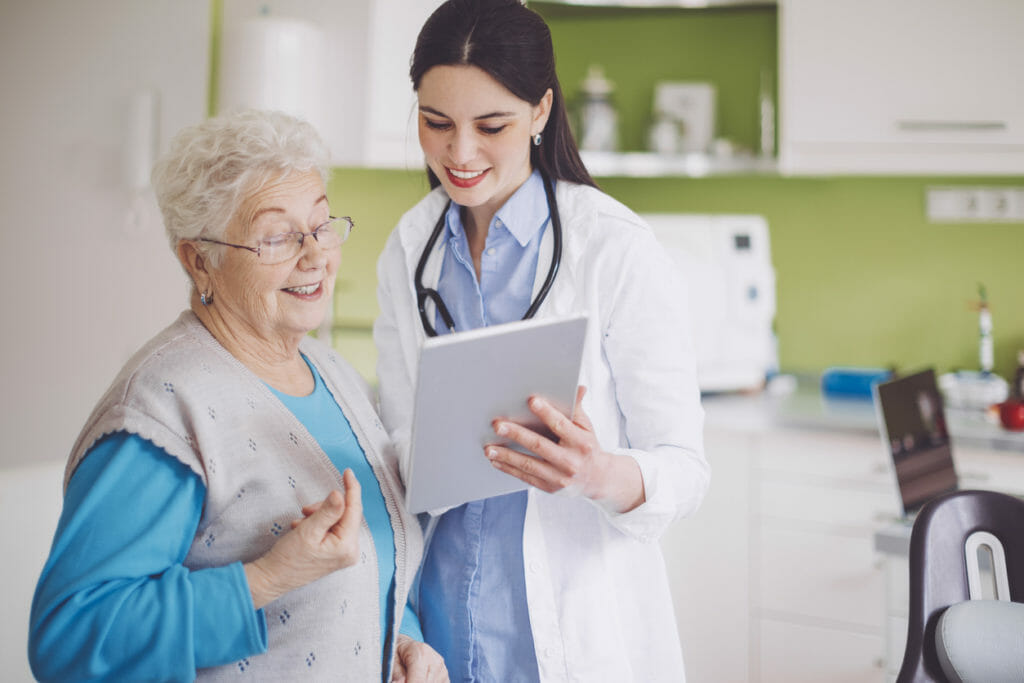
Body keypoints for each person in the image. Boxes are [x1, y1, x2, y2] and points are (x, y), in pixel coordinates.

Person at [29, 110, 447, 682]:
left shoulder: (333, 372)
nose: (315, 254)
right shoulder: (164, 410)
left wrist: (400, 639)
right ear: (199, 260)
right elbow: (70, 640)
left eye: (322, 225)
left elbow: (363, 571)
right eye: (276, 236)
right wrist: (268, 577)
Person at [372, 1, 710, 680]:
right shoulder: (409, 249)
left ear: (541, 111)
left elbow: (684, 465)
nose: (458, 153)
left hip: (569, 637)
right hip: (436, 632)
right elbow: (399, 435)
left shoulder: (614, 250)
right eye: (436, 123)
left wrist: (599, 473)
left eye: (489, 125)